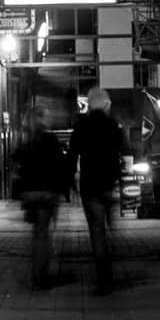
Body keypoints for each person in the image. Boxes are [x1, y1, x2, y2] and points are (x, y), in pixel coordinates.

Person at [67, 86, 125, 295]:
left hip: (90, 185)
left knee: (97, 232)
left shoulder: (82, 127)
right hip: (109, 183)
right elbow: (123, 152)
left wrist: (70, 183)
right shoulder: (113, 126)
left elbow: (72, 156)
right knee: (111, 227)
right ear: (106, 105)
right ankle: (112, 263)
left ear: (89, 105)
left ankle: (104, 278)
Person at [11, 104, 68, 289]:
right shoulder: (51, 140)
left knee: (36, 234)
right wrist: (63, 189)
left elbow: (16, 160)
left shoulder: (27, 140)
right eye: (47, 116)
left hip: (30, 193)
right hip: (46, 192)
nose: (50, 119)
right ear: (42, 119)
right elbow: (60, 165)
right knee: (43, 234)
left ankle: (36, 274)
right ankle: (41, 277)